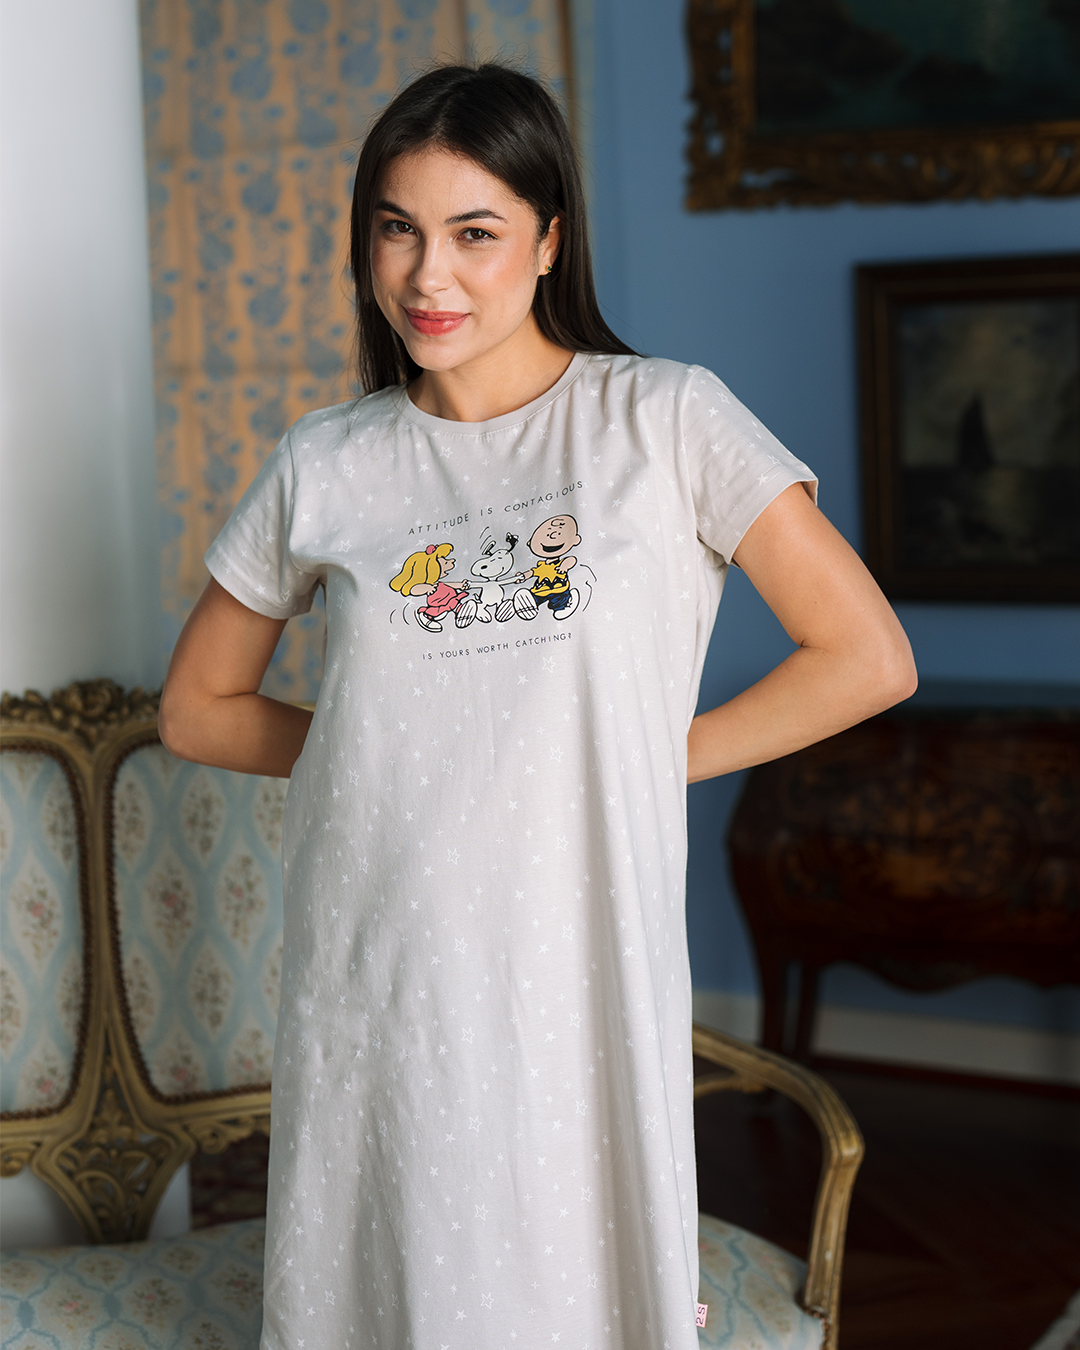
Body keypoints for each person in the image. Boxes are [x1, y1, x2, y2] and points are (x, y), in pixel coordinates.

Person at [159, 62, 916, 1350]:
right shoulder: (326, 460)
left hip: (575, 960)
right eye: (396, 229)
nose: (427, 276)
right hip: (378, 961)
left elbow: (866, 655)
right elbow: (199, 708)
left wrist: (634, 761)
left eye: (475, 232)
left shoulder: (665, 418)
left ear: (549, 238)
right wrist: (384, 749)